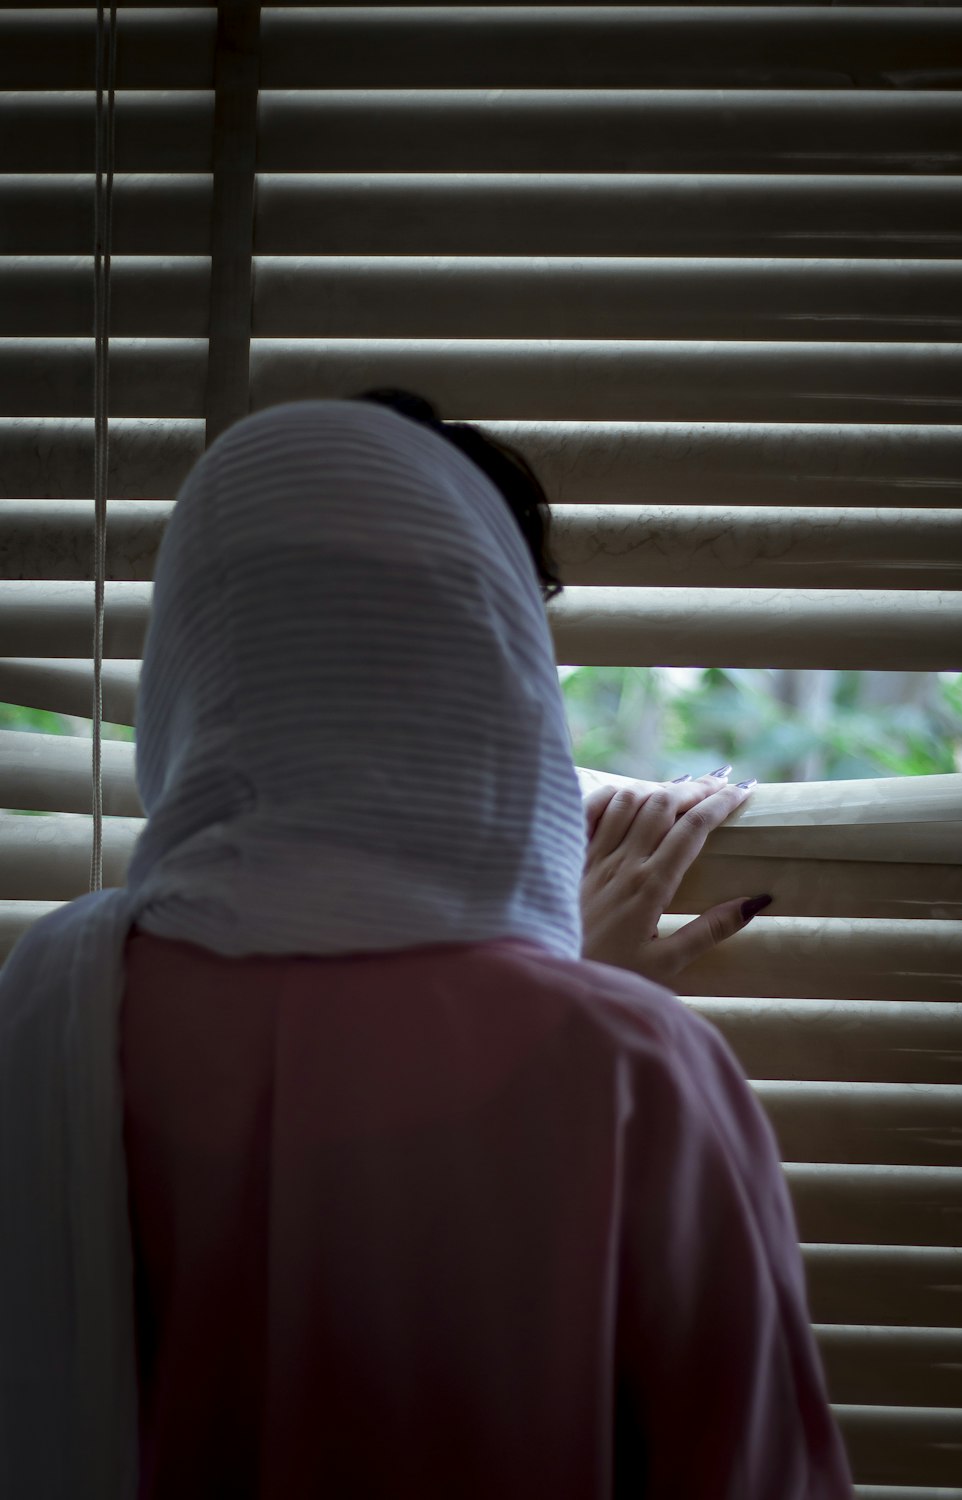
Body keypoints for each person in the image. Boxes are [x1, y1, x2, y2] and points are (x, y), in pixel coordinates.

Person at [0, 399, 852, 1498]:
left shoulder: (49, 1012)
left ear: (197, 653)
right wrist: (565, 1026)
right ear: (487, 671)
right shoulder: (635, 1076)